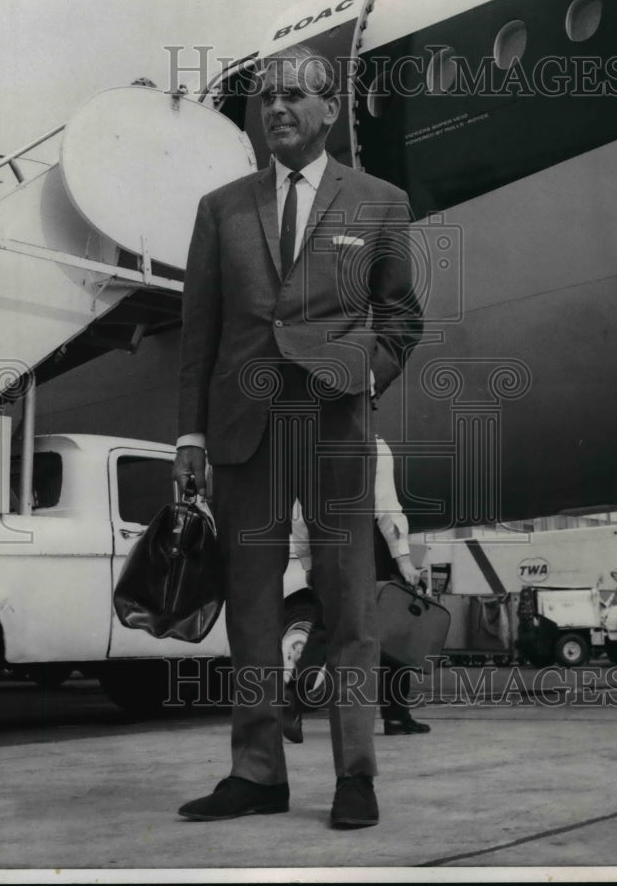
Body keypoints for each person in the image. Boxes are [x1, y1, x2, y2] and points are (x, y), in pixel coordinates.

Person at [172, 44, 423, 829]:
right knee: (251, 610)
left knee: (347, 607)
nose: (274, 110)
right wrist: (188, 435)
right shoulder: (221, 208)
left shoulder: (379, 201)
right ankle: (256, 773)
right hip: (243, 432)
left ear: (326, 110)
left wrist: (361, 373)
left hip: (333, 428)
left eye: (291, 98)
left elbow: (401, 319)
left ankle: (355, 776)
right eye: (265, 100)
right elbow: (199, 333)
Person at [288, 436, 431, 742]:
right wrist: (403, 560)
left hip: (326, 546)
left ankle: (291, 703)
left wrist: (309, 562)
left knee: (326, 628)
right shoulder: (375, 446)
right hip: (369, 547)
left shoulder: (309, 448)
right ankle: (396, 715)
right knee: (394, 626)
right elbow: (386, 507)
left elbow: (299, 515)